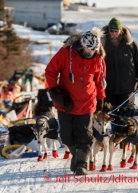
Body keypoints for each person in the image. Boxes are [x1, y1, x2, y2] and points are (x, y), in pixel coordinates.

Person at [45, 27, 106, 175]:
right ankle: (76, 156)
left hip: (87, 102)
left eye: (93, 50)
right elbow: (50, 71)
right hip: (66, 101)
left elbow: (100, 81)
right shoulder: (66, 53)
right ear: (81, 45)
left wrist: (101, 98)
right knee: (66, 135)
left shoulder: (98, 59)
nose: (90, 52)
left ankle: (81, 164)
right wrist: (55, 90)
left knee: (85, 134)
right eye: (88, 49)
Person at [101, 17, 138, 107]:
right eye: (111, 31)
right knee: (109, 116)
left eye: (116, 31)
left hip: (127, 88)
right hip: (108, 88)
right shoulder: (102, 45)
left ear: (121, 30)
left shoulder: (130, 45)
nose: (114, 33)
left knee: (126, 116)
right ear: (108, 31)